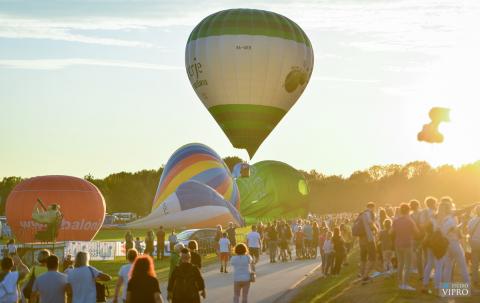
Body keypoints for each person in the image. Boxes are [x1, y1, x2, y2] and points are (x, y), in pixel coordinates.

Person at [438, 197, 471, 286]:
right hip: (454, 243)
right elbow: (456, 232)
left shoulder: (442, 219)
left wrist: (460, 225)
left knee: (447, 267)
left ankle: (446, 287)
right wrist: (463, 223)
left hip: (446, 244)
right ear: (449, 210)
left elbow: (448, 230)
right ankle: (468, 286)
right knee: (463, 266)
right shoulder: (450, 219)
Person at [391, 203, 419, 291]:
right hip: (407, 244)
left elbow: (390, 232)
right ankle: (405, 284)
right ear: (408, 210)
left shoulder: (395, 220)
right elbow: (417, 232)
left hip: (398, 244)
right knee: (408, 265)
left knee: (400, 264)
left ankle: (400, 284)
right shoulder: (410, 220)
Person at [358, 202, 378, 283]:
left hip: (361, 239)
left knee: (363, 258)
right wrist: (376, 229)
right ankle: (365, 276)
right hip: (368, 238)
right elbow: (370, 223)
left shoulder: (361, 214)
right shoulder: (369, 213)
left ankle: (362, 276)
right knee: (373, 257)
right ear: (372, 207)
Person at [468, 205, 480, 287]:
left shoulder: (472, 220)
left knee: (475, 262)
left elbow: (469, 232)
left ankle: (475, 280)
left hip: (474, 242)